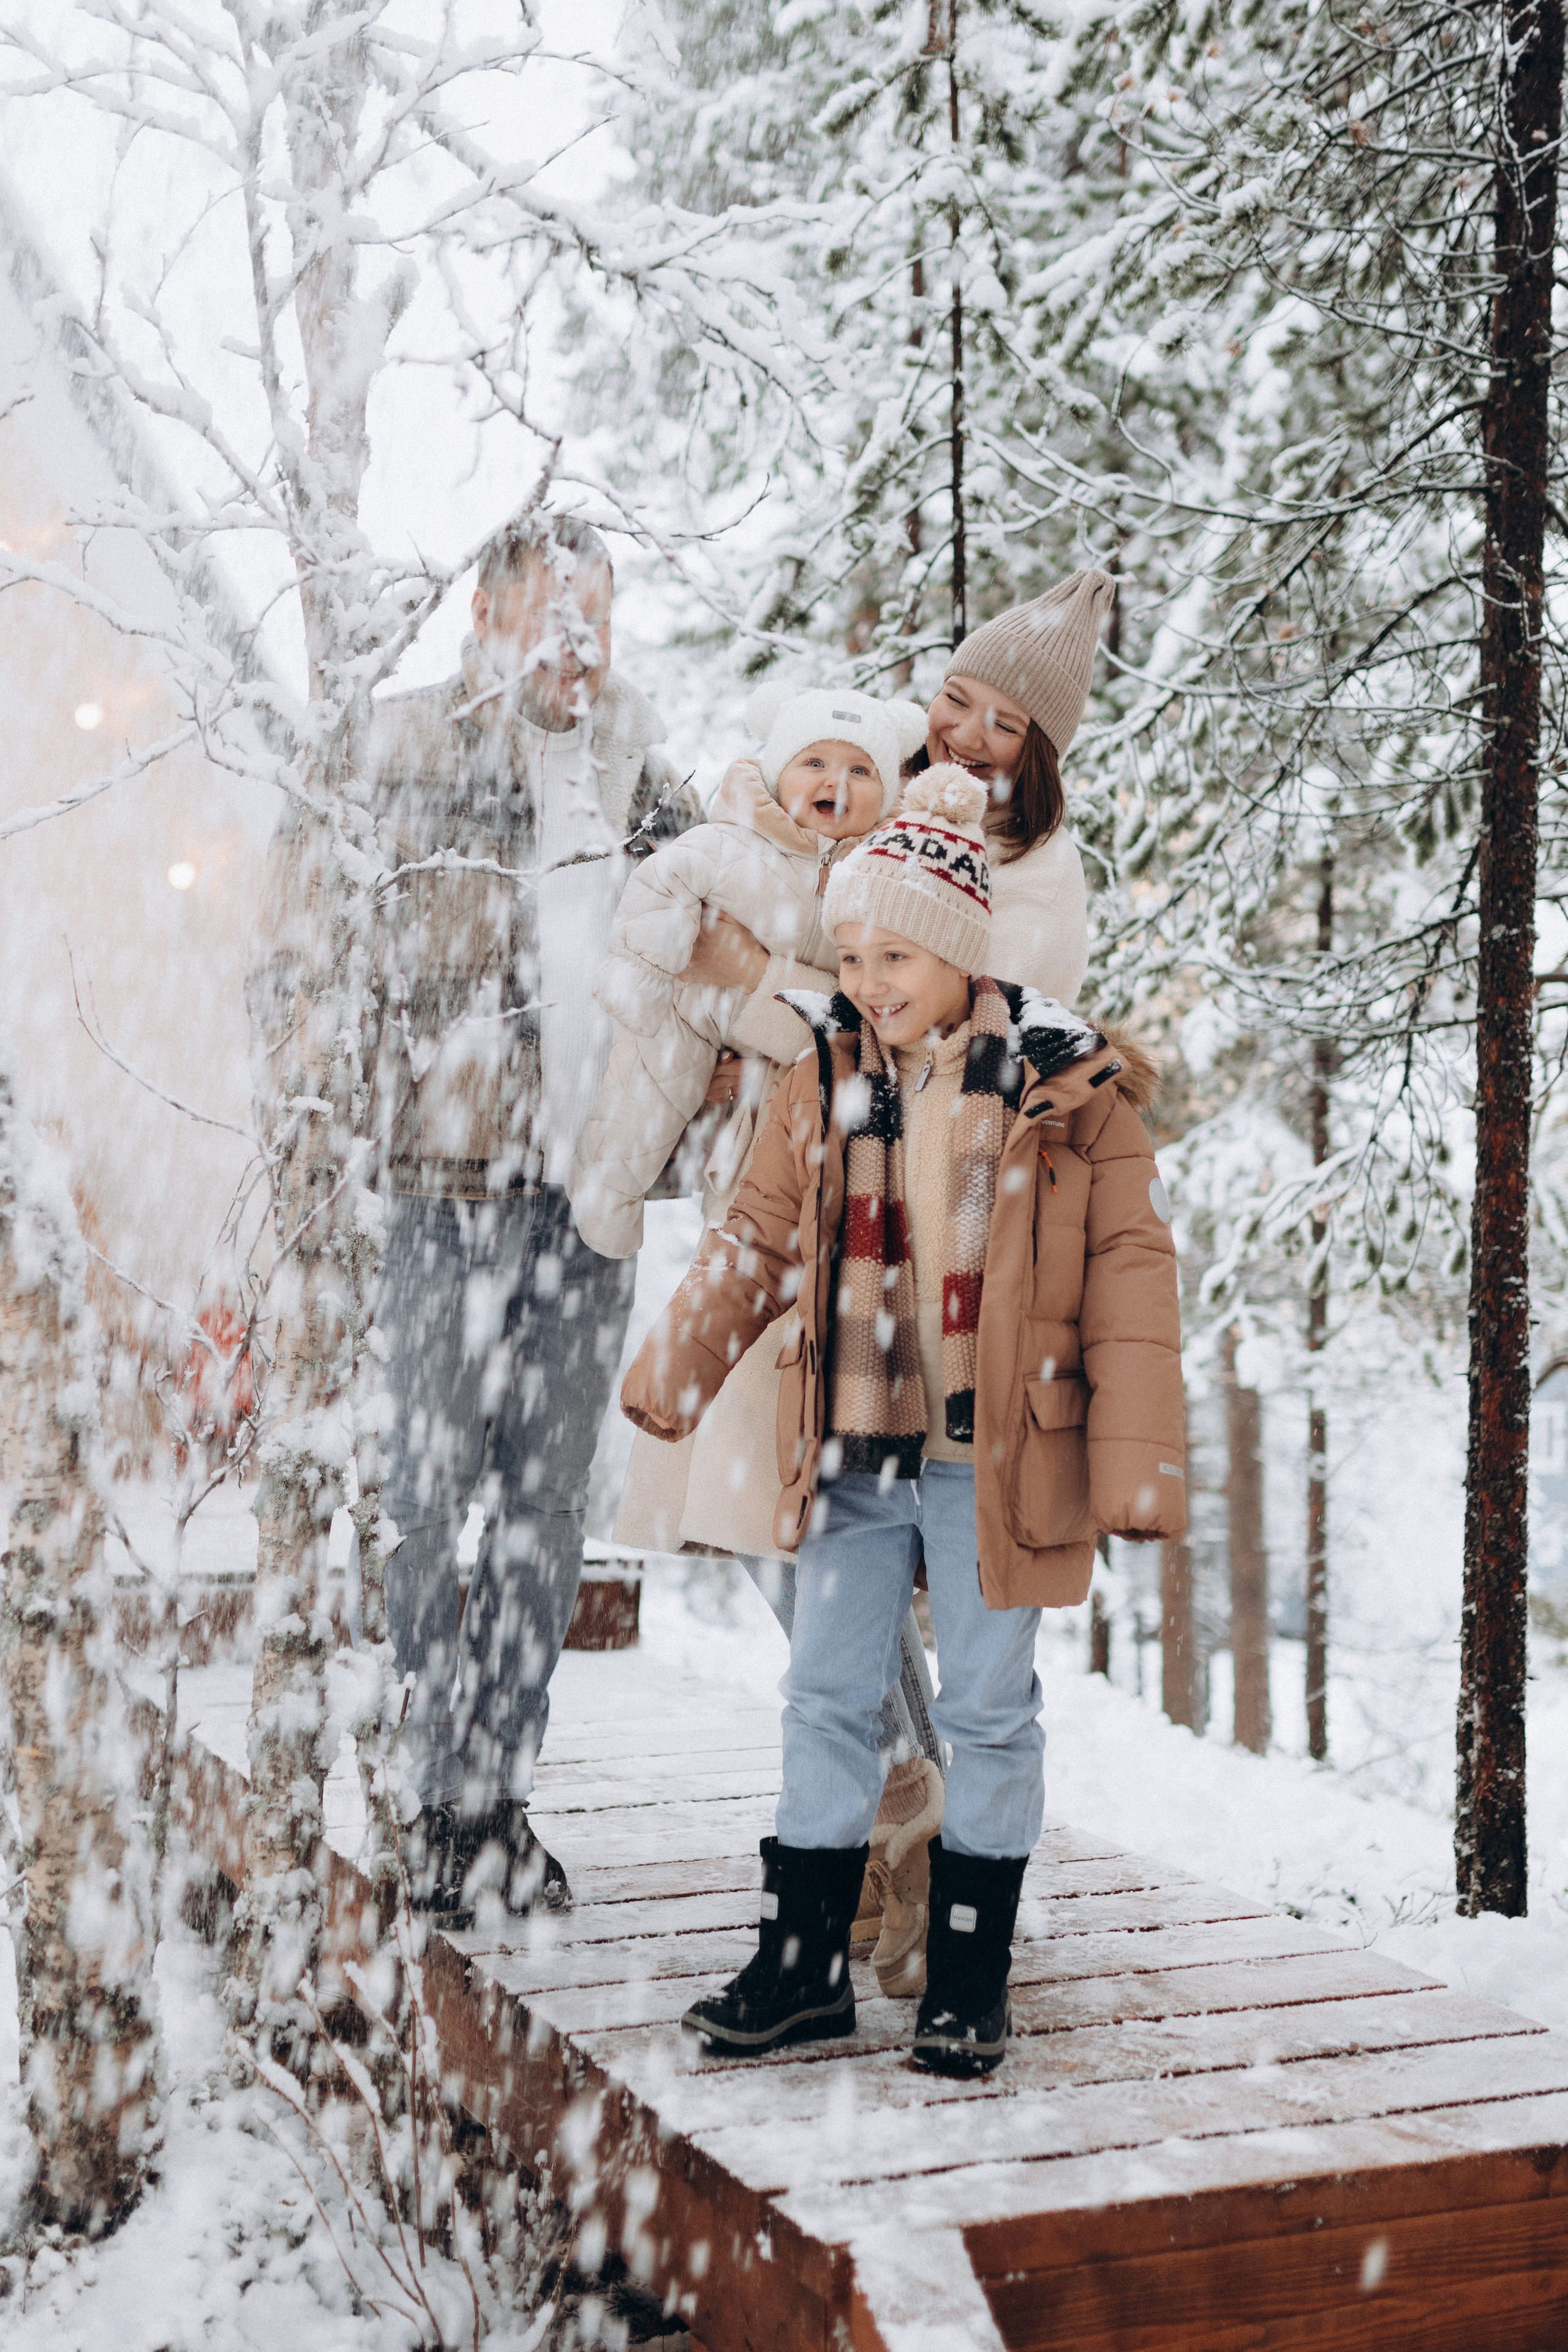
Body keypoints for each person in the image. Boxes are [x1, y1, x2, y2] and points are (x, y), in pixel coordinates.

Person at [620, 766, 1185, 2075]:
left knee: (987, 1709)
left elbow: (1128, 1283)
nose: (868, 977)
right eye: (854, 951)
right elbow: (759, 1232)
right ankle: (804, 1965)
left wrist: (1137, 1463)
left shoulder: (1064, 1086)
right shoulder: (822, 1075)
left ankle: (967, 1975)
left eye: (894, 952)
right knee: (825, 1694)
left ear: (955, 946)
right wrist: (680, 1360)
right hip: (856, 1440)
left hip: (996, 1450)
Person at [366, 510, 698, 1926]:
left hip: (588, 1200)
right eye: (551, 613)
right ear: (487, 616)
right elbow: (300, 959)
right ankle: (431, 1797)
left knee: (545, 1510)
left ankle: (499, 1797)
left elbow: (736, 925)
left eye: (595, 614)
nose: (578, 642)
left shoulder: (638, 765)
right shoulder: (401, 747)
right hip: (443, 1190)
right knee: (430, 1500)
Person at [568, 677, 927, 1258]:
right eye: (815, 761)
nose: (836, 782)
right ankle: (608, 1193)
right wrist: (641, 975)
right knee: (649, 1084)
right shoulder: (730, 842)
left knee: (761, 1223)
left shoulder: (887, 877)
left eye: (862, 771)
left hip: (788, 1089)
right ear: (778, 770)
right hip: (699, 1008)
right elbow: (661, 884)